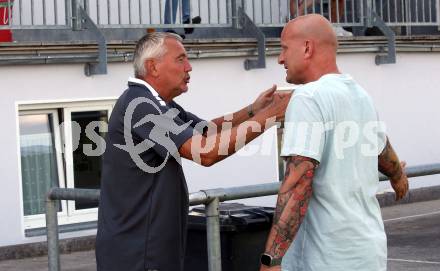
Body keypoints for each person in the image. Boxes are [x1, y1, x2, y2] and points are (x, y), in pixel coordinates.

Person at [96, 32, 290, 271]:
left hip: (147, 253)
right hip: (139, 256)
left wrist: (254, 110)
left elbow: (206, 131)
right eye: (180, 59)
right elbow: (206, 153)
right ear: (153, 67)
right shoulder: (142, 105)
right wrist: (270, 116)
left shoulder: (155, 103)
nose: (189, 67)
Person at [259, 14, 408, 271]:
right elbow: (381, 149)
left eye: (284, 49)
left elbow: (298, 183)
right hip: (368, 253)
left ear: (307, 48)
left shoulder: (308, 97)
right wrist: (398, 176)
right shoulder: (360, 94)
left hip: (325, 258)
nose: (280, 59)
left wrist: (272, 258)